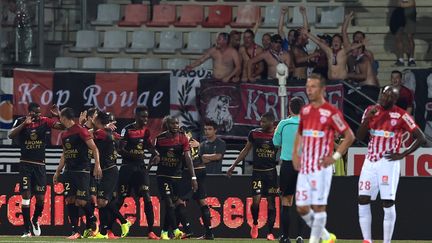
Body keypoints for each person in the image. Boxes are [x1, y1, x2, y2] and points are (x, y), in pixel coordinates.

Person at [356, 86, 425, 243]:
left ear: (394, 99)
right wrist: (368, 119)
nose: (384, 98)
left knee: (387, 202)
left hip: (388, 162)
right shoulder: (369, 110)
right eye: (383, 94)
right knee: (363, 198)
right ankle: (367, 240)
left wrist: (402, 154)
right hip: (370, 161)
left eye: (388, 96)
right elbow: (359, 137)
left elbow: (421, 138)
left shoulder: (402, 115)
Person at [292, 74, 355, 243]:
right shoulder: (304, 110)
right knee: (302, 208)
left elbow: (349, 136)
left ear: (322, 90)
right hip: (305, 166)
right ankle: (327, 237)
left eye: (313, 87)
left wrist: (334, 157)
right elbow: (300, 134)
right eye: (307, 86)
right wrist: (295, 155)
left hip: (322, 167)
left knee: (319, 207)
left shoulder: (332, 113)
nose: (309, 90)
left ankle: (314, 241)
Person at [8, 103, 63, 237]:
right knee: (26, 197)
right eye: (36, 113)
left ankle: (35, 220)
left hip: (40, 165)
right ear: (30, 113)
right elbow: (10, 135)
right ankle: (26, 230)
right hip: (25, 165)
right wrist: (23, 125)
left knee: (40, 199)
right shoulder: (21, 121)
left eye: (39, 113)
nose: (38, 115)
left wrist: (59, 115)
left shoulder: (44, 121)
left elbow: (65, 126)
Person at [227, 112, 279, 240]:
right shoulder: (254, 133)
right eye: (260, 121)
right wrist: (233, 165)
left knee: (271, 203)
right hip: (257, 173)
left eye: (264, 122)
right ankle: (255, 224)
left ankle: (270, 232)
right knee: (256, 202)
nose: (261, 124)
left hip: (271, 173)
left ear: (272, 123)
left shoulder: (277, 135)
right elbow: (246, 150)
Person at [53, 107, 102, 240]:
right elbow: (64, 153)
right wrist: (58, 171)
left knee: (81, 201)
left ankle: (92, 219)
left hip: (82, 171)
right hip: (69, 171)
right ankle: (75, 231)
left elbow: (94, 148)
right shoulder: (64, 134)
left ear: (63, 118)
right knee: (69, 199)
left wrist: (97, 165)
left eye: (60, 118)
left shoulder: (81, 130)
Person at [150, 116, 198, 240]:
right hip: (163, 176)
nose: (176, 125)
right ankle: (177, 231)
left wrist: (193, 178)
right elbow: (154, 155)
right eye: (173, 123)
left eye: (177, 123)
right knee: (170, 204)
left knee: (177, 204)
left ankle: (164, 231)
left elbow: (188, 159)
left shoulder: (183, 138)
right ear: (167, 125)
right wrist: (150, 165)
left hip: (176, 176)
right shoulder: (160, 139)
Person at [117, 106, 159, 239]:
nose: (145, 119)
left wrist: (155, 154)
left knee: (147, 197)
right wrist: (134, 156)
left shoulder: (145, 131)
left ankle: (151, 231)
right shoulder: (127, 129)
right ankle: (107, 230)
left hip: (140, 169)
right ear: (136, 116)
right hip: (127, 168)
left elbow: (149, 146)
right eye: (143, 117)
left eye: (147, 117)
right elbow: (120, 149)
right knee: (119, 199)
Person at [272, 97, 305, 243]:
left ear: (290, 109)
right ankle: (300, 237)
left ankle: (285, 237)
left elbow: (275, 142)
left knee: (286, 200)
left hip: (288, 165)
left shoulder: (283, 124)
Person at [89, 111, 126, 239]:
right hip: (106, 170)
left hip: (109, 171)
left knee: (102, 201)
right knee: (101, 203)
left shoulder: (101, 132)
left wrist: (101, 127)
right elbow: (118, 138)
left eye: (94, 118)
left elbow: (86, 134)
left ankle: (124, 222)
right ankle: (103, 233)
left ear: (98, 121)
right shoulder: (106, 132)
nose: (92, 119)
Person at [394, 0, 417, 66]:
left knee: (410, 36)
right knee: (398, 36)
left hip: (410, 12)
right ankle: (401, 60)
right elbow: (398, 3)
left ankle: (411, 59)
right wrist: (403, 4)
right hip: (400, 12)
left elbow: (412, 3)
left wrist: (403, 4)